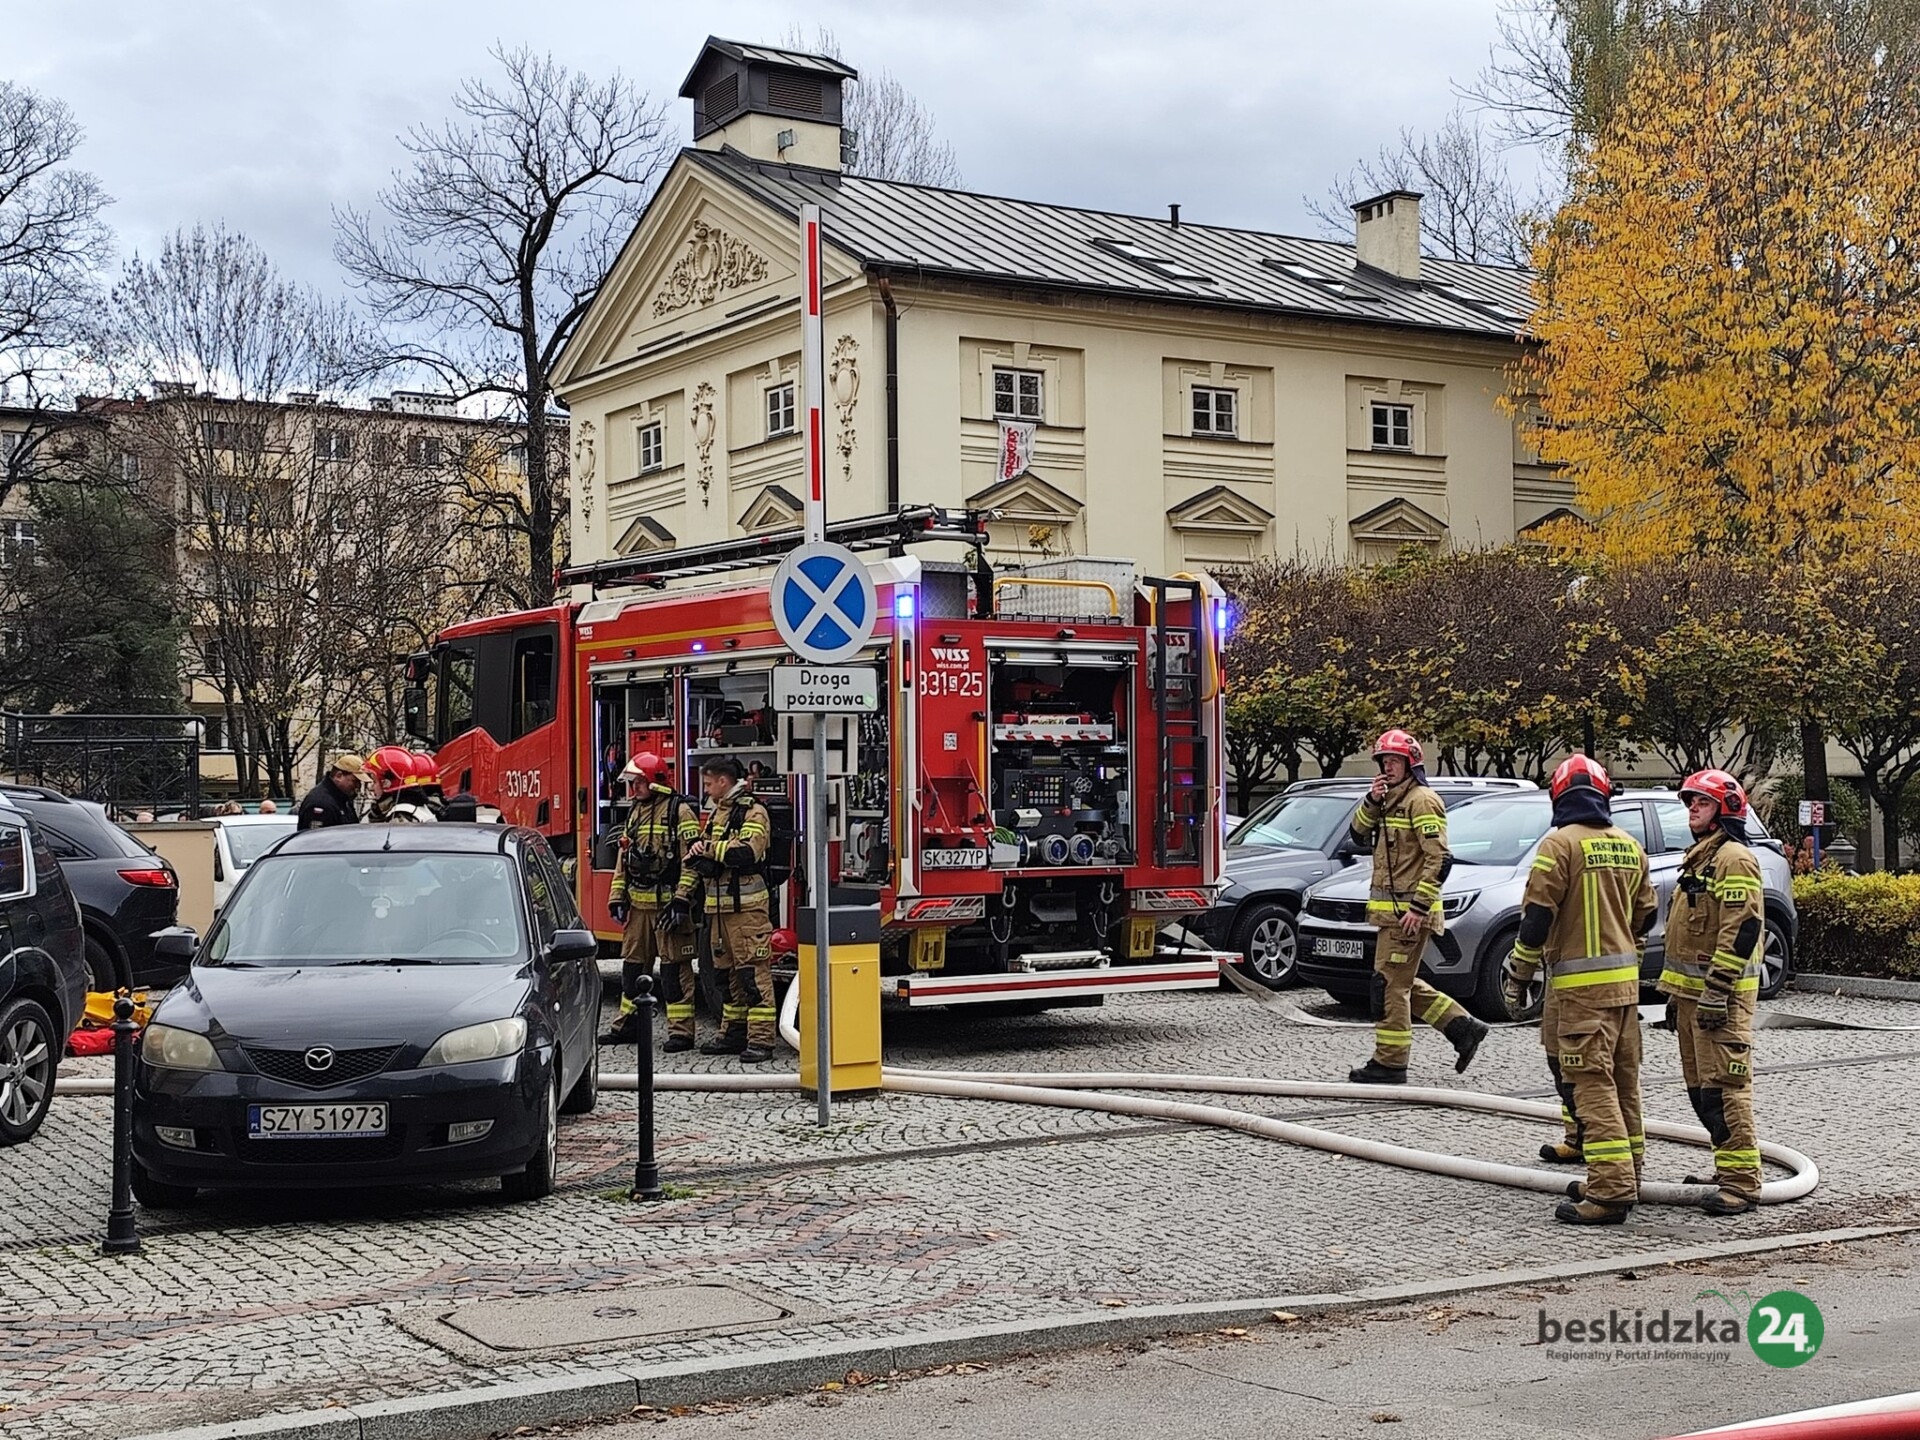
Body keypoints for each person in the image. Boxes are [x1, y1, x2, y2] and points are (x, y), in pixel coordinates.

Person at [1503, 755, 1657, 1225]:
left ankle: (1610, 1191)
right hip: (1624, 990)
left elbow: (1537, 917)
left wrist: (1519, 974)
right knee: (1623, 1082)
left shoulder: (1559, 845)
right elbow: (1647, 913)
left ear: (1559, 797)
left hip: (1579, 993)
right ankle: (1629, 1173)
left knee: (1590, 1085)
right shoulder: (1629, 845)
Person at [1345, 729, 1487, 1084]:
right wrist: (1371, 800)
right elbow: (1357, 835)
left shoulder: (1422, 800)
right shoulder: (1387, 799)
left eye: (1394, 761)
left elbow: (1439, 859)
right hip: (1391, 914)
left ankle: (1390, 1063)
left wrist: (1419, 908)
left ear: (1411, 764)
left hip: (1409, 915)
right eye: (1384, 761)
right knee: (1401, 982)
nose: (1388, 767)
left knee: (1388, 986)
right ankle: (1462, 1027)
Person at [1658, 769, 1767, 1217]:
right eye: (1690, 803)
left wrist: (1717, 991)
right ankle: (1726, 1171)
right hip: (1695, 1001)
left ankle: (1742, 1184)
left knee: (1725, 1092)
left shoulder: (1734, 859)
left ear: (1727, 809)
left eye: (1702, 802)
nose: (1692, 810)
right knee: (1703, 1094)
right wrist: (1676, 995)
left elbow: (1742, 929)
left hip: (1721, 1002)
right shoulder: (1702, 858)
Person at [601, 751, 703, 1049]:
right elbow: (624, 859)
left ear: (655, 782)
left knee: (674, 971)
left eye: (639, 782)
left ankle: (681, 1032)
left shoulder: (680, 811)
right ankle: (628, 1025)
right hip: (638, 907)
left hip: (668, 906)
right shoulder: (635, 812)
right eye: (632, 782)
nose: (634, 788)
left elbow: (691, 861)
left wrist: (682, 899)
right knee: (632, 969)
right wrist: (617, 896)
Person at [687, 755, 777, 1063]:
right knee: (725, 978)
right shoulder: (718, 813)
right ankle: (733, 1033)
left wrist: (710, 850)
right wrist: (699, 853)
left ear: (724, 781)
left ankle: (761, 1040)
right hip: (719, 911)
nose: (706, 790)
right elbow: (708, 850)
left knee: (753, 975)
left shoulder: (753, 811)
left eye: (709, 784)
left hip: (747, 912)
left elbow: (748, 852)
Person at [295, 754, 365, 831]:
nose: (358, 786)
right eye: (354, 781)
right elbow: (317, 837)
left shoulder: (342, 799)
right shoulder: (321, 803)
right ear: (339, 776)